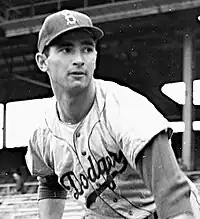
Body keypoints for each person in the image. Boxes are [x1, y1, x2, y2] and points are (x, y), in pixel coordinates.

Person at [25, 9, 200, 219]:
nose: (79, 59)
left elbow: (172, 193)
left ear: (96, 57)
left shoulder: (125, 109)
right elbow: (50, 182)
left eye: (87, 49)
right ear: (42, 61)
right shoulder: (43, 135)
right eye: (66, 49)